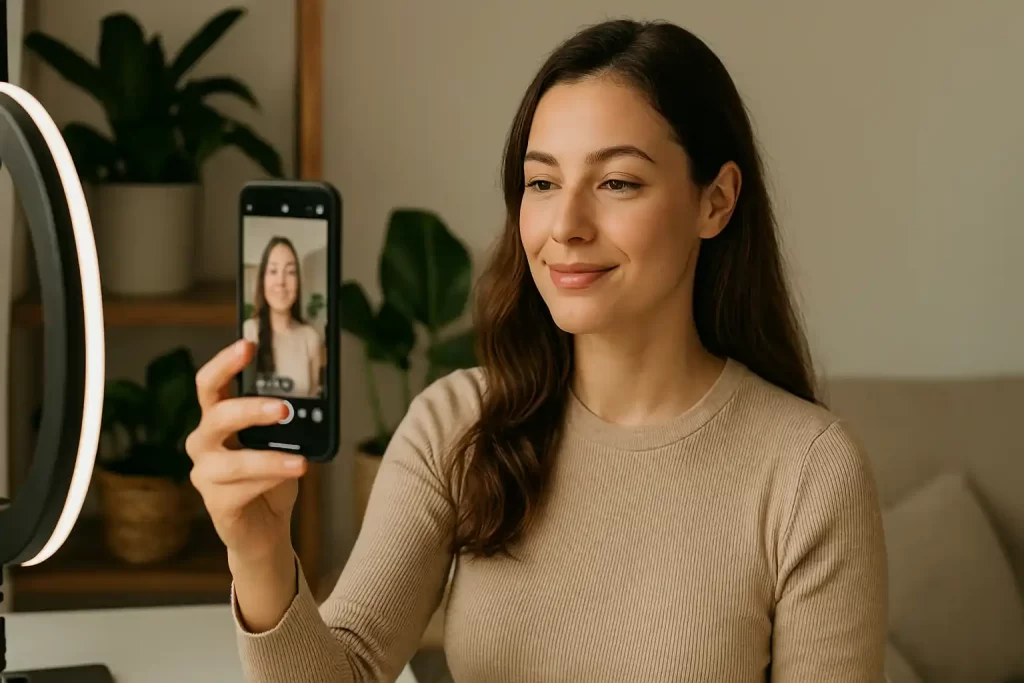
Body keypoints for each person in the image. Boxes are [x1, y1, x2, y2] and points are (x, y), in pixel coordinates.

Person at [185, 18, 887, 683]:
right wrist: (260, 552)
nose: (567, 225)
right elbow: (346, 672)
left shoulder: (808, 472)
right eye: (542, 183)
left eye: (617, 183)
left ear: (716, 200)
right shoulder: (455, 426)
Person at [243, 236, 323, 399]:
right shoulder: (249, 331)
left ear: (298, 282)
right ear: (262, 281)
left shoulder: (311, 338)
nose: (281, 281)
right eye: (273, 271)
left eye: (290, 272)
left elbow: (315, 398)